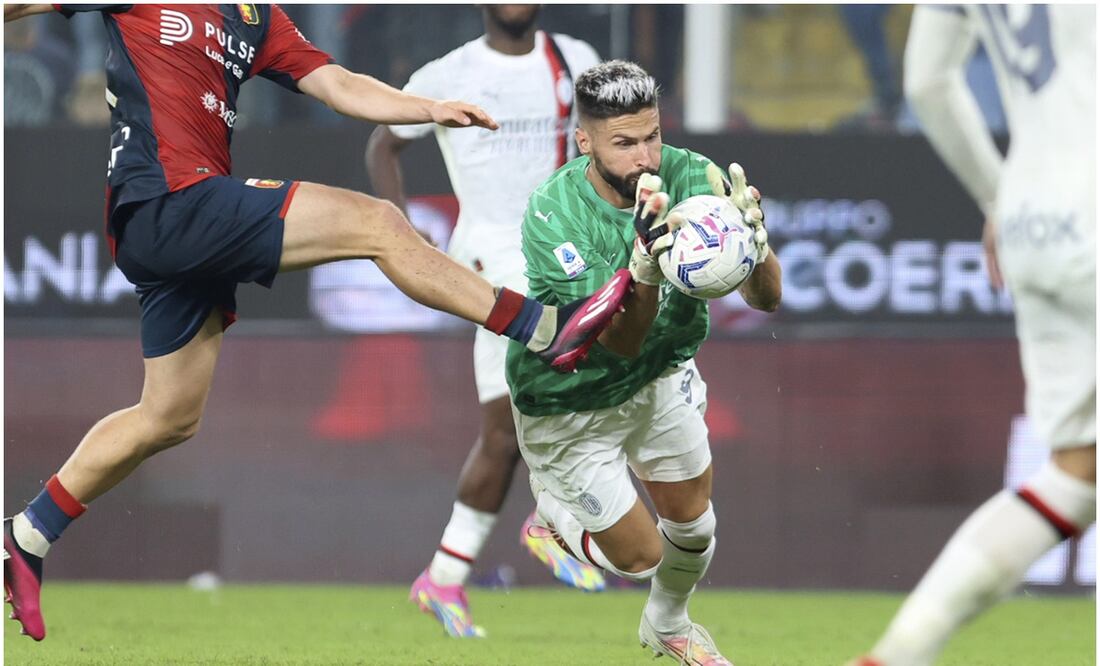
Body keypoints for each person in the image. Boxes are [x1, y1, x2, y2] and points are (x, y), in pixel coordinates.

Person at [1, 3, 633, 642]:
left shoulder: (255, 16)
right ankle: (546, 328)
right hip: (167, 199)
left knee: (167, 417)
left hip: (186, 224)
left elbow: (337, 83)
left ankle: (26, 536)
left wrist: (426, 108)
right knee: (379, 224)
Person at [506, 60, 782, 663]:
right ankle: (552, 516)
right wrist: (645, 269)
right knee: (640, 557)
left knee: (694, 526)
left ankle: (668, 625)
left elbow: (767, 301)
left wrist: (756, 247)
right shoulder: (554, 214)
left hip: (659, 374)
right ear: (586, 141)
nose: (645, 158)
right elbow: (617, 343)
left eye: (651, 136)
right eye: (624, 143)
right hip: (570, 397)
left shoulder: (694, 175)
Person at [852, 5, 1095, 665]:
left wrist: (998, 195)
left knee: (1079, 474)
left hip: (1032, 217)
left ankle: (899, 654)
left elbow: (927, 84)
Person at [365, 4, 606, 638]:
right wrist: (404, 230)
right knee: (540, 406)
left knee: (505, 432)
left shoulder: (575, 61)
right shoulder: (450, 73)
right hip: (492, 265)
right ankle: (549, 520)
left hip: (566, 258)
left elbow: (614, 145)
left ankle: (444, 578)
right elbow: (383, 141)